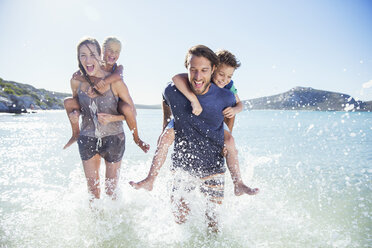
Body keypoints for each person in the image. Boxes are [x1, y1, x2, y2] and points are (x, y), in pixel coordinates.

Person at [132, 45, 256, 232]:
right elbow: (169, 92)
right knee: (179, 220)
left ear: (212, 68)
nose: (198, 76)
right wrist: (167, 122)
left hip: (213, 166)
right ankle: (150, 179)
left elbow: (234, 109)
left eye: (204, 70)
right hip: (182, 168)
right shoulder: (176, 89)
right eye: (193, 70)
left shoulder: (226, 93)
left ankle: (238, 183)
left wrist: (227, 138)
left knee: (213, 224)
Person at [63, 37, 149, 153]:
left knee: (128, 109)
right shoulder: (94, 65)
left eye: (117, 51)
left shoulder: (118, 68)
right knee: (68, 102)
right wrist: (90, 82)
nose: (113, 54)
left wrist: (101, 84)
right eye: (110, 50)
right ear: (102, 51)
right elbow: (77, 76)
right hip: (92, 103)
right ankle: (75, 134)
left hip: (114, 102)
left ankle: (137, 139)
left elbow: (117, 76)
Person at [70, 37, 130, 201]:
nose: (88, 60)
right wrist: (75, 115)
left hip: (114, 137)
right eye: (83, 55)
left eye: (91, 54)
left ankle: (114, 225)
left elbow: (131, 112)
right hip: (88, 137)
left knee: (111, 193)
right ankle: (96, 225)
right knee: (93, 193)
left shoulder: (116, 78)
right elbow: (77, 103)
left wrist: (112, 118)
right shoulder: (77, 80)